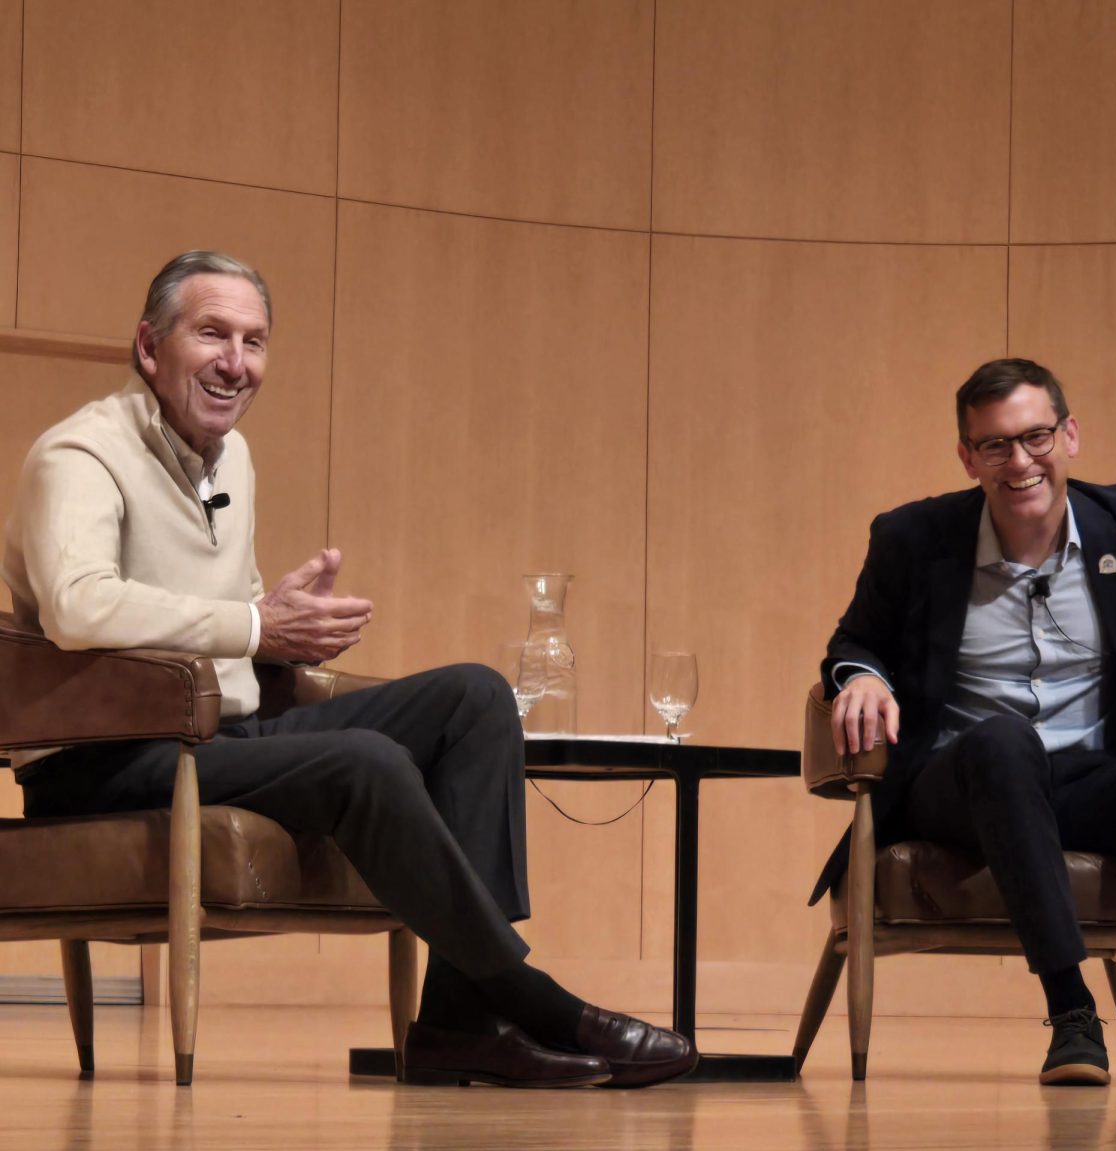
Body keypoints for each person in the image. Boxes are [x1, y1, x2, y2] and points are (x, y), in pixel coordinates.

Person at [1, 250, 697, 1090]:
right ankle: (523, 993)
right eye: (212, 333)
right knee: (367, 761)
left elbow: (217, 607)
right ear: (150, 347)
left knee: (474, 698)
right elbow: (80, 608)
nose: (236, 362)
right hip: (104, 759)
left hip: (225, 729)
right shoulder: (78, 456)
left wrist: (274, 620)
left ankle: (453, 1021)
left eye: (255, 342)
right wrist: (257, 622)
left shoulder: (232, 458)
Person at [814, 357, 1116, 1089]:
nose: (1020, 462)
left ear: (1069, 434)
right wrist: (859, 677)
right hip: (965, 786)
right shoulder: (914, 539)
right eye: (994, 445)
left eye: (1036, 436)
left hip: (1092, 780)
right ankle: (1070, 1013)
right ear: (966, 455)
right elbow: (853, 641)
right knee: (1002, 738)